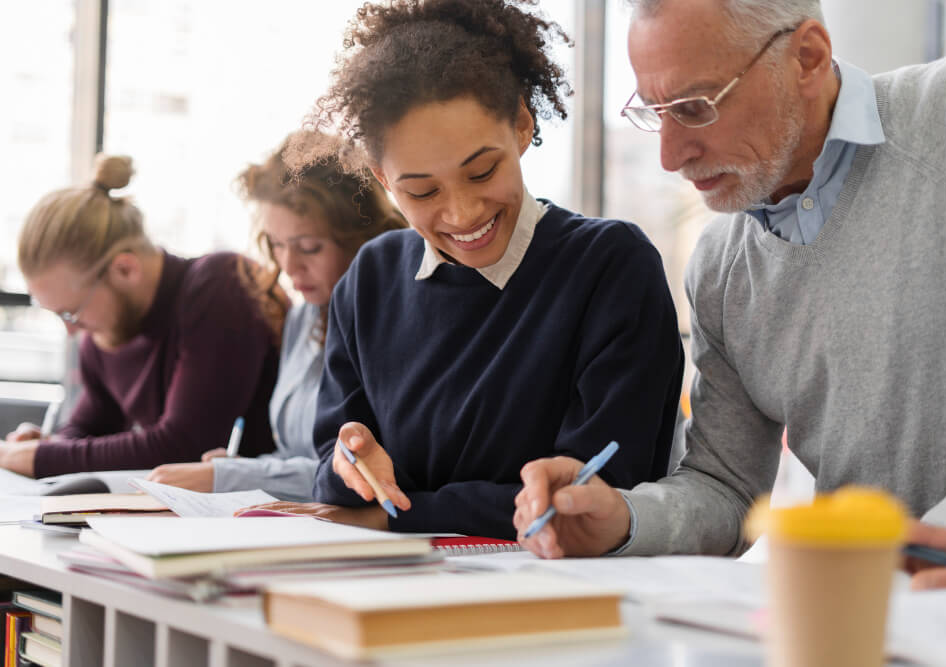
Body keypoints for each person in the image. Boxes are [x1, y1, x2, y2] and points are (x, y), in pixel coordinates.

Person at [515, 0, 946, 558]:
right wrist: (623, 521)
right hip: (862, 612)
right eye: (656, 112)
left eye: (695, 107)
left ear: (808, 58)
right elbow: (726, 487)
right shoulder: (722, 270)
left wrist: (922, 556)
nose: (671, 157)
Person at [247, 0, 685, 539]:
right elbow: (332, 474)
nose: (462, 213)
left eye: (482, 171)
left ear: (523, 126)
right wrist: (351, 463)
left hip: (563, 593)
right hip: (389, 584)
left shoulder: (610, 267)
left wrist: (394, 515)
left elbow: (594, 495)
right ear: (384, 182)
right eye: (422, 190)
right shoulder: (371, 279)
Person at [146, 131, 406, 500]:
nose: (288, 266)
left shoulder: (393, 324)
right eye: (277, 245)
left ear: (360, 239)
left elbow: (366, 471)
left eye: (309, 248)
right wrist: (241, 469)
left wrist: (235, 476)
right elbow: (297, 458)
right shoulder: (302, 321)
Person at [2, 155, 280, 477]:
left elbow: (183, 445)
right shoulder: (103, 333)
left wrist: (42, 458)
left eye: (72, 312)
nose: (71, 331)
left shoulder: (221, 285)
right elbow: (87, 430)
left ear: (125, 269)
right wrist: (50, 444)